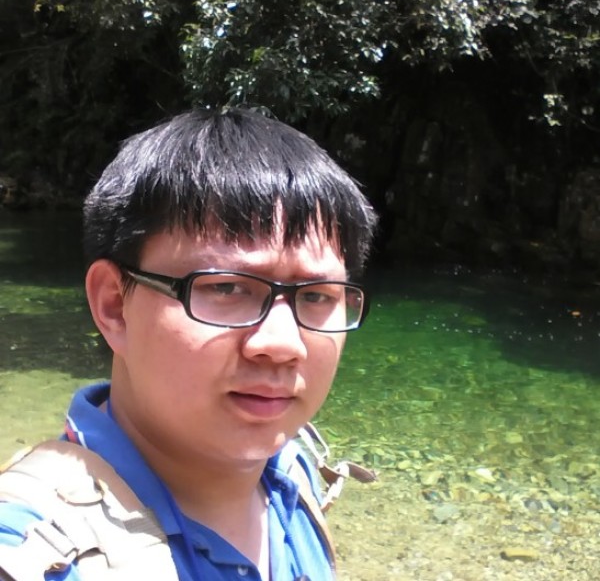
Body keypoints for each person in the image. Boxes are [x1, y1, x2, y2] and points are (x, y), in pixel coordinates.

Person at [0, 108, 377, 580]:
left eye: (317, 295)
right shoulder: (34, 554)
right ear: (115, 305)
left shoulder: (291, 469)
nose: (284, 344)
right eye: (226, 287)